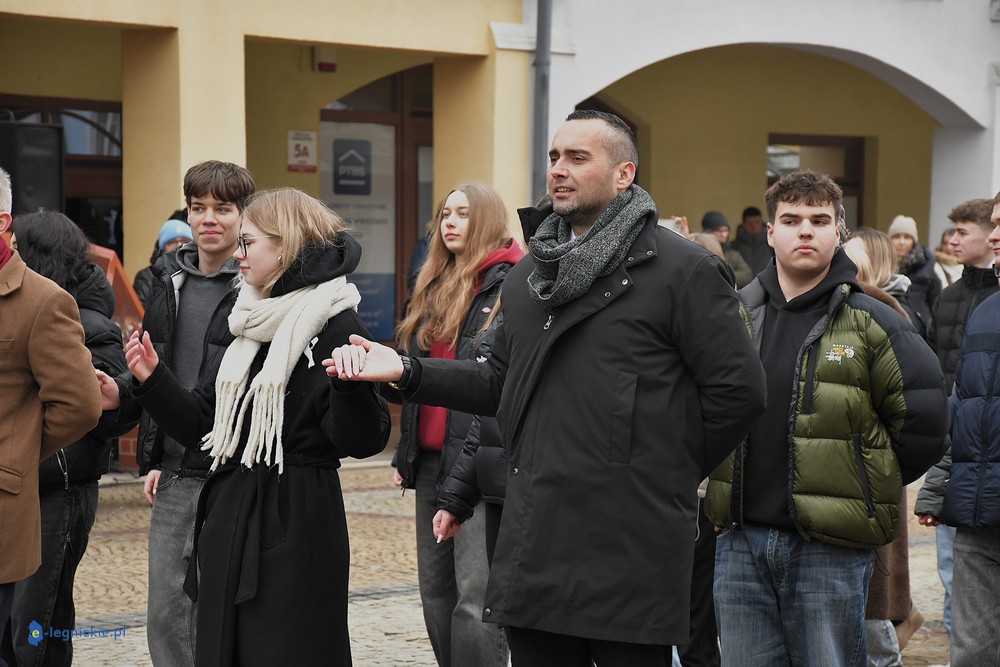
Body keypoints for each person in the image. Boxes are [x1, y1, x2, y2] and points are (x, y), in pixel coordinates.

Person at [329, 109, 767, 665]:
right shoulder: (531, 275)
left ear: (624, 174)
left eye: (578, 158)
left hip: (632, 539)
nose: (559, 169)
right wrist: (405, 371)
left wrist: (660, 468)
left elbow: (739, 392)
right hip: (536, 538)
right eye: (555, 157)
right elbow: (495, 379)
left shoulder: (683, 269)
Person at [102, 187, 391, 666]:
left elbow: (364, 439)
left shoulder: (335, 322)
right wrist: (154, 379)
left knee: (288, 650)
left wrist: (347, 387)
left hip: (295, 520)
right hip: (231, 512)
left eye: (248, 243)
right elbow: (206, 424)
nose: (237, 254)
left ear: (285, 246)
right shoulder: (244, 317)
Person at [705, 170, 948, 667]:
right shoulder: (734, 317)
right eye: (791, 220)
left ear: (838, 232)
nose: (805, 230)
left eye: (819, 220)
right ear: (770, 232)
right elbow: (701, 409)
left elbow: (926, 424)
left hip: (830, 551)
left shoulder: (875, 320)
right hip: (740, 544)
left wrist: (862, 481)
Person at [116, 160, 255, 667]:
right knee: (165, 613)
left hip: (234, 473)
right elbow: (156, 369)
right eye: (198, 208)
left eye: (222, 208)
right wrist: (151, 448)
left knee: (226, 610)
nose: (208, 219)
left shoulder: (257, 285)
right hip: (176, 472)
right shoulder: (166, 280)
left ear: (243, 216)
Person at [390, 182, 521, 667]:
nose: (449, 222)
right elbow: (419, 375)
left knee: (474, 597)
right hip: (429, 460)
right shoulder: (432, 281)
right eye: (445, 213)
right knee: (435, 592)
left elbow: (493, 385)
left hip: (480, 461)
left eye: (463, 214)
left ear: (486, 219)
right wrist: (406, 450)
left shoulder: (511, 283)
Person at [3, 211, 135, 667]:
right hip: (28, 485)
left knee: (35, 622)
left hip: (60, 489)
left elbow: (105, 412)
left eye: (17, 247)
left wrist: (23, 448)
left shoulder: (82, 319)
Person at [0, 167, 102, 664]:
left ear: (3, 222)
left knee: (24, 637)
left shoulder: (43, 301)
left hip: (14, 506)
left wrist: (16, 452)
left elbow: (80, 405)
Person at [915, 196, 998, 650]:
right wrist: (937, 483)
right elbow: (962, 400)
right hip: (973, 497)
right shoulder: (975, 308)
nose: (995, 236)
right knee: (971, 645)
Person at [842, 232, 925, 665]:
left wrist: (882, 468)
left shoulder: (888, 314)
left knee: (873, 614)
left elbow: (917, 415)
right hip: (844, 486)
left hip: (871, 483)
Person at [888, 214, 940, 330]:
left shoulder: (927, 265)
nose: (902, 242)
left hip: (919, 325)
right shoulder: (881, 264)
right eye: (896, 236)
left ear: (914, 241)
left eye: (907, 237)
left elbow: (936, 302)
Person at [133, 214, 192, 310]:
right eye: (172, 242)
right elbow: (141, 313)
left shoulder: (198, 273)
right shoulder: (146, 277)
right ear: (162, 248)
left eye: (184, 241)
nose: (179, 245)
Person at [700, 211, 754, 287]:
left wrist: (723, 275)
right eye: (719, 231)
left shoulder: (733, 254)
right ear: (708, 232)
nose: (724, 235)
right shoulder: (701, 252)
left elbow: (747, 275)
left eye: (726, 230)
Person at [733, 205, 772, 275]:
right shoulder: (734, 247)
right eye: (749, 223)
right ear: (744, 224)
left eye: (757, 222)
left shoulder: (771, 244)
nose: (754, 226)